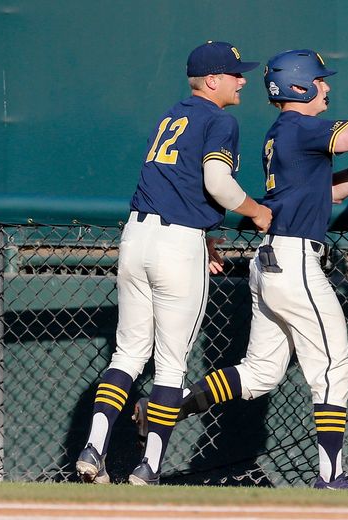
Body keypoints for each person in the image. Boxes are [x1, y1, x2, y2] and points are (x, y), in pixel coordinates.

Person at [132, 35, 348, 489]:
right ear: (298, 87)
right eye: (319, 82)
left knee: (260, 373)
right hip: (296, 261)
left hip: (272, 262)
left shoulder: (284, 133)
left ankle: (177, 404)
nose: (326, 89)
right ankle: (332, 475)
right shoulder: (302, 128)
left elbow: (330, 191)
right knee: (333, 366)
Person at [75, 41, 272, 486]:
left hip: (136, 237)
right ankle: (149, 467)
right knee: (170, 365)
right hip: (177, 245)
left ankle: (94, 447)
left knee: (127, 353)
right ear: (213, 80)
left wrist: (203, 237)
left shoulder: (170, 115)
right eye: (236, 74)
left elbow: (174, 183)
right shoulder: (221, 119)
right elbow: (217, 182)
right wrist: (257, 212)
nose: (243, 81)